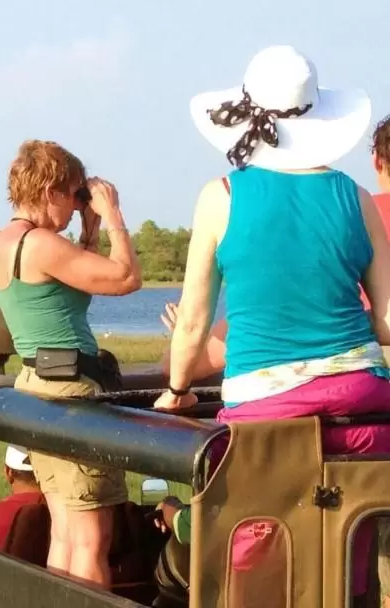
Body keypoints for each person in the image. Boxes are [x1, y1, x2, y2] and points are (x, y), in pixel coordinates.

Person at [153, 45, 390, 600]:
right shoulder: (355, 197)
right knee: (348, 541)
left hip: (267, 415)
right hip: (363, 408)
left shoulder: (222, 196)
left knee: (257, 547)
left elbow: (192, 324)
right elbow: (386, 319)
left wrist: (177, 390)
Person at [0, 139, 142, 589]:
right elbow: (127, 278)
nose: (76, 207)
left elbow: (66, 293)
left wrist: (88, 233)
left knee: (65, 532)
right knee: (93, 538)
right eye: (74, 195)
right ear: (50, 190)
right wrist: (114, 219)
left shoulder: (2, 244)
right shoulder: (41, 244)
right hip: (71, 394)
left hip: (37, 385)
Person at [157, 112, 390, 383]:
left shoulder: (355, 207)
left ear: (376, 160)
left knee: (175, 362)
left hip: (286, 363)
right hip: (360, 376)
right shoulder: (355, 202)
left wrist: (188, 340)